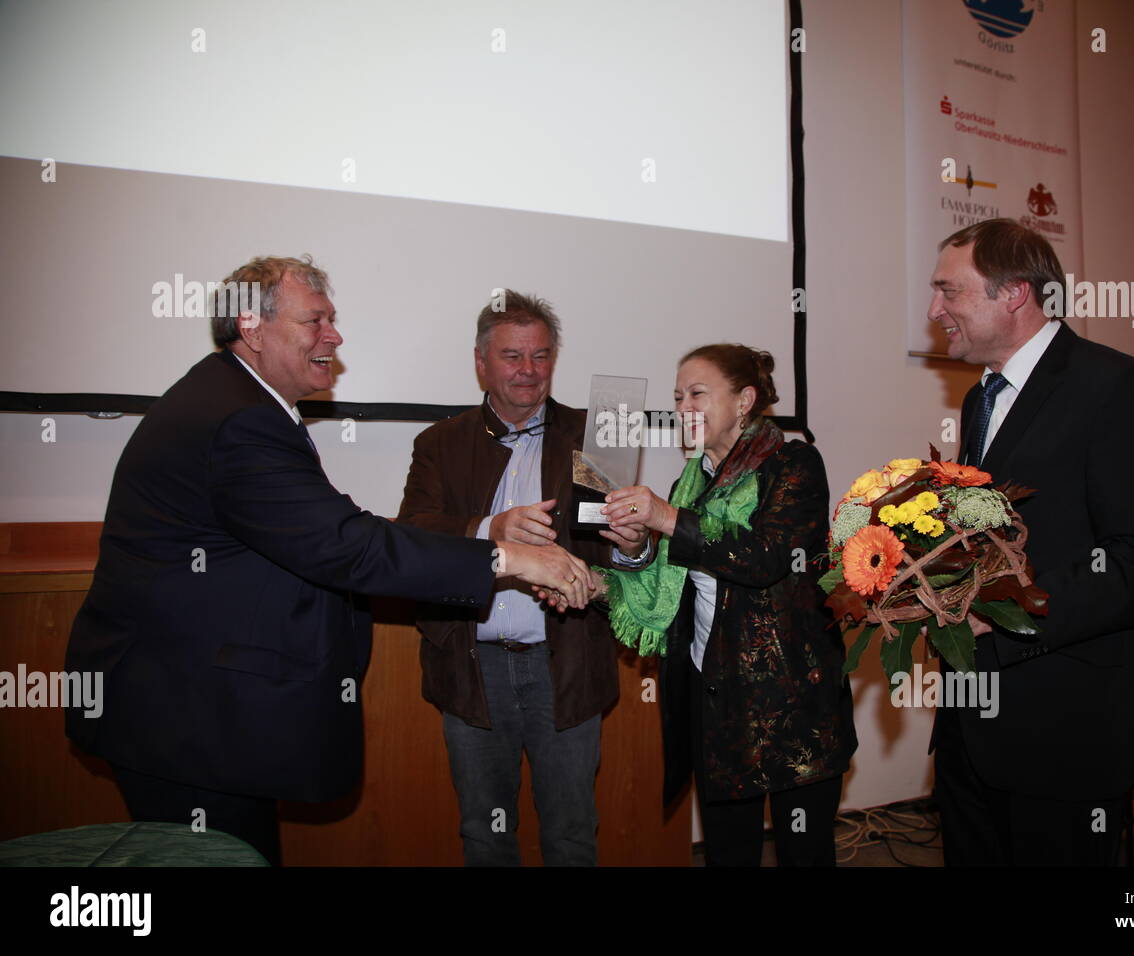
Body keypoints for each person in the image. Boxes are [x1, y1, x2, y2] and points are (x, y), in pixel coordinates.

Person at [64, 257, 592, 866]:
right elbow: (349, 545)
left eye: (332, 320)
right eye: (314, 320)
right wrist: (511, 557)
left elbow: (330, 539)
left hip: (199, 710)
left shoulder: (238, 402)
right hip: (186, 717)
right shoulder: (239, 420)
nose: (334, 336)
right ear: (252, 327)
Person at [925, 218, 1134, 865]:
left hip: (1068, 730)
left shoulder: (1119, 389)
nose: (935, 311)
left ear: (1014, 293)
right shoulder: (980, 400)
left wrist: (1002, 608)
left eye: (949, 292)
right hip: (971, 721)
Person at [396, 290, 646, 866]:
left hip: (567, 664)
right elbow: (413, 534)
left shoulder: (597, 434)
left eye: (541, 356)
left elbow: (623, 551)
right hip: (471, 665)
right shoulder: (439, 443)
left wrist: (635, 544)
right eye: (512, 356)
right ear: (481, 362)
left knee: (572, 832)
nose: (528, 371)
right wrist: (493, 527)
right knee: (484, 835)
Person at [596, 344, 858, 866]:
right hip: (714, 697)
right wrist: (630, 549)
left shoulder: (793, 463)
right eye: (676, 397)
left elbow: (766, 557)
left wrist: (667, 519)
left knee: (803, 851)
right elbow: (673, 583)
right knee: (727, 852)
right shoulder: (690, 482)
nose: (682, 408)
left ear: (744, 401)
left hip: (790, 706)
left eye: (697, 393)